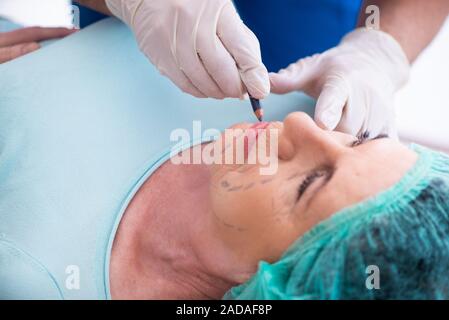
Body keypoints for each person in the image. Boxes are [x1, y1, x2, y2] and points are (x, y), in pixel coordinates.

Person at [1, 18, 449, 299]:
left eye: (307, 183)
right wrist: (379, 46)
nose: (302, 127)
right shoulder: (301, 94)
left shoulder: (33, 278)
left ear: (273, 284)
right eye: (358, 142)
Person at [75, 0, 449, 138]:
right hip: (120, 63)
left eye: (316, 180)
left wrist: (379, 49)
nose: (305, 133)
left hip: (315, 43)